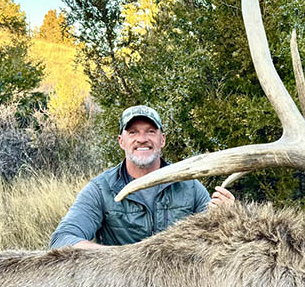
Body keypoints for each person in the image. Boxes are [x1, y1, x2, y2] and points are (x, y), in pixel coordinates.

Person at [50, 105, 235, 248]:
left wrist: (229, 218)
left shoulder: (189, 187)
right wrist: (129, 258)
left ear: (162, 140)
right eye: (133, 132)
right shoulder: (101, 189)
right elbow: (62, 239)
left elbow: (219, 245)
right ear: (121, 141)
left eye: (150, 131)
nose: (142, 139)